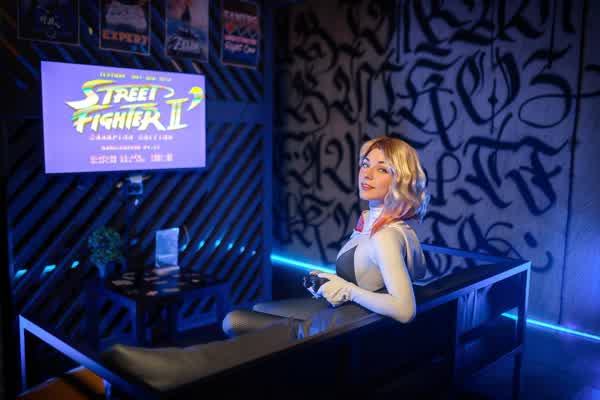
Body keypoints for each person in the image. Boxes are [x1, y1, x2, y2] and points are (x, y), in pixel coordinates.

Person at [222, 136, 429, 337]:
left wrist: (347, 290)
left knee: (233, 321)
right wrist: (332, 283)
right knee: (258, 308)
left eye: (382, 169)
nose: (367, 174)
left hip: (347, 326)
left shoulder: (385, 236)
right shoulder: (375, 222)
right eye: (365, 165)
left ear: (400, 179)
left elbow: (405, 310)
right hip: (343, 312)